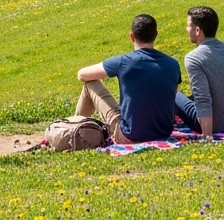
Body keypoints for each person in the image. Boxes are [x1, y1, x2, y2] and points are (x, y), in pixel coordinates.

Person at [75, 14, 181, 144]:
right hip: (163, 133)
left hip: (129, 136)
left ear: (132, 36)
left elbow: (82, 74)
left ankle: (74, 128)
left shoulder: (124, 62)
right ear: (156, 34)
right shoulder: (173, 64)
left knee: (90, 84)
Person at [174, 6, 224, 136]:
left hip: (213, 125)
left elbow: (203, 98)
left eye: (188, 26)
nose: (186, 29)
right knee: (189, 98)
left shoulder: (194, 57)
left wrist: (207, 136)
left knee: (172, 92)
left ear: (197, 30)